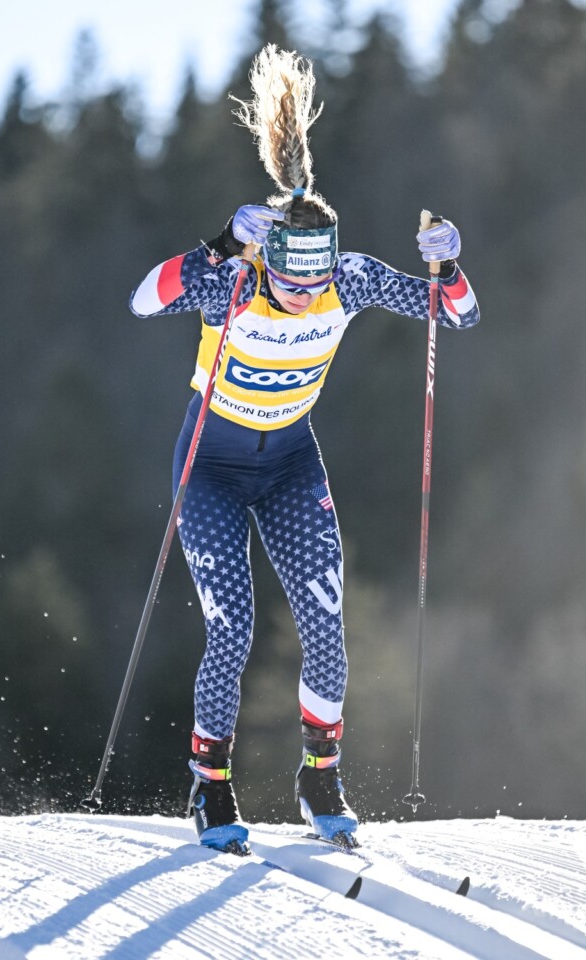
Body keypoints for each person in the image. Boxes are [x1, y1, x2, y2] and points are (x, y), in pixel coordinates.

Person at [129, 44, 480, 856]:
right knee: (233, 632)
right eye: (290, 280)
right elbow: (144, 300)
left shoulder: (346, 280)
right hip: (211, 469)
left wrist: (449, 263)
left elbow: (456, 315)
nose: (303, 293)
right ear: (269, 261)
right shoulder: (236, 281)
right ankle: (211, 783)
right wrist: (218, 244)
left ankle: (320, 778)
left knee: (325, 622)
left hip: (289, 463)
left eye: (314, 281)